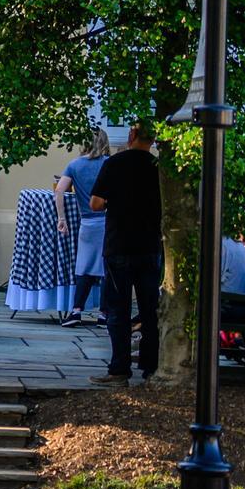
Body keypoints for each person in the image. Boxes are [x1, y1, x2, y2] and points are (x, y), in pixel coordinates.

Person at [90, 120, 163, 386]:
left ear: (131, 135)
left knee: (117, 309)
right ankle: (150, 366)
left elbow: (96, 203)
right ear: (153, 140)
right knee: (149, 309)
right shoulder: (158, 167)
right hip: (149, 246)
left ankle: (119, 368)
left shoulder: (115, 164)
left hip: (119, 244)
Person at [54, 127, 111, 327]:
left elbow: (59, 190)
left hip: (86, 223)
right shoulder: (108, 164)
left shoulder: (74, 165)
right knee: (106, 268)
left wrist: (62, 218)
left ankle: (76, 310)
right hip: (106, 220)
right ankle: (104, 314)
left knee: (84, 268)